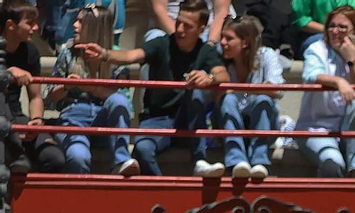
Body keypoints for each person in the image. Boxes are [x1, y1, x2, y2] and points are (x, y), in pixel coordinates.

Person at [80, 0, 225, 177]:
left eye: (187, 26)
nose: (179, 29)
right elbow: (131, 55)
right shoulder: (161, 43)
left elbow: (223, 75)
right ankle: (165, 192)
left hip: (187, 120)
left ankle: (200, 160)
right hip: (157, 119)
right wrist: (105, 54)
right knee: (141, 149)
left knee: (196, 93)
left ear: (201, 30)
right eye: (178, 22)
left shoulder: (206, 51)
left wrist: (208, 78)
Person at [48, 3, 136, 176]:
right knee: (78, 156)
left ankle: (121, 161)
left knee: (118, 100)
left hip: (105, 120)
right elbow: (51, 96)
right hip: (74, 118)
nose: (74, 25)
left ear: (94, 27)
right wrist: (67, 85)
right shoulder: (67, 54)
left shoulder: (115, 57)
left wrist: (89, 86)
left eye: (80, 22)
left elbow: (125, 103)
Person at [297, 5, 355, 178]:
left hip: (349, 130)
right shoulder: (316, 49)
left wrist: (350, 60)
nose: (335, 31)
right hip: (317, 129)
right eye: (331, 26)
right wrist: (339, 81)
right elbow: (311, 75)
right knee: (333, 162)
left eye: (342, 27)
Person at [212, 14, 283, 181]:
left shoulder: (267, 55)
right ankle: (236, 161)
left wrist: (247, 90)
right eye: (222, 37)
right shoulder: (218, 57)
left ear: (245, 43)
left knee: (263, 100)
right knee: (228, 100)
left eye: (229, 38)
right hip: (228, 126)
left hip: (262, 124)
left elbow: (277, 90)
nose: (222, 42)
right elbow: (215, 99)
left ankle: (260, 161)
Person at [3, 2, 66, 175]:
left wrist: (36, 121)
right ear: (10, 25)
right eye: (29, 23)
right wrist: (6, 73)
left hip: (16, 118)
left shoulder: (31, 51)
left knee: (54, 158)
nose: (36, 27)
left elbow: (36, 97)